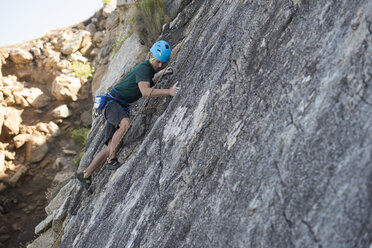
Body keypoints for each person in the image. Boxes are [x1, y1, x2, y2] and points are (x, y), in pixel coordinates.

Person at [77, 40, 179, 189]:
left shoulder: (148, 70)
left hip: (117, 105)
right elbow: (145, 91)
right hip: (114, 104)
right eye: (158, 62)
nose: (160, 65)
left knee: (111, 147)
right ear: (151, 55)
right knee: (125, 124)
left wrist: (162, 73)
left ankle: (85, 174)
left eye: (163, 63)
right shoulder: (144, 68)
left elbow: (150, 81)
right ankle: (112, 161)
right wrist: (168, 92)